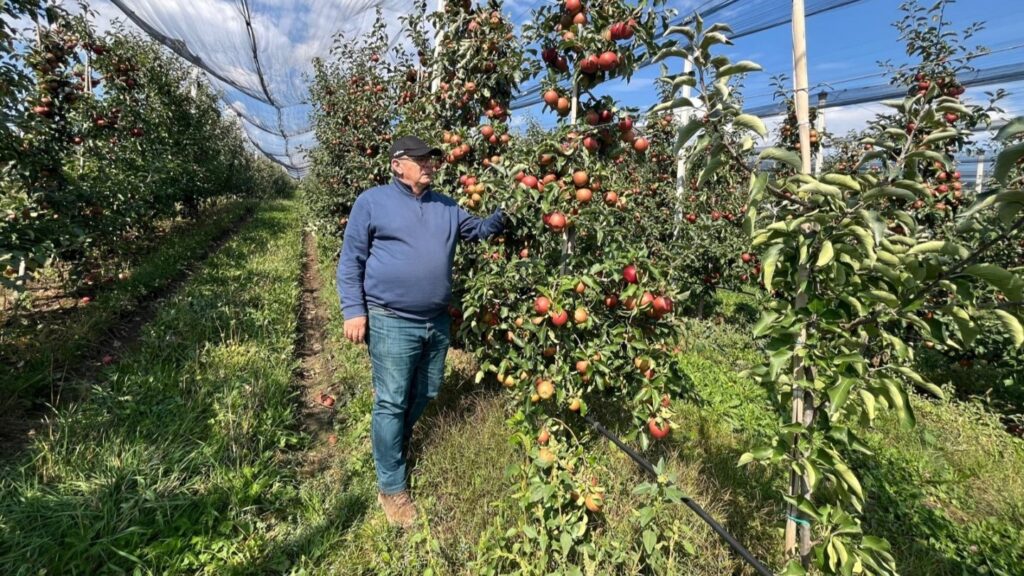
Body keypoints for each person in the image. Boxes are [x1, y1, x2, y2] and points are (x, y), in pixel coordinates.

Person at [336, 135, 505, 529]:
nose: (430, 165)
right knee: (392, 400)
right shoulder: (372, 202)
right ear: (398, 164)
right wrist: (353, 310)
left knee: (427, 390)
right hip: (390, 317)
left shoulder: (445, 205)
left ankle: (391, 444)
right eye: (422, 159)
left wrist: (503, 216)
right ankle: (391, 487)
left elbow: (477, 231)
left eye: (432, 160)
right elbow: (351, 260)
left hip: (437, 319)